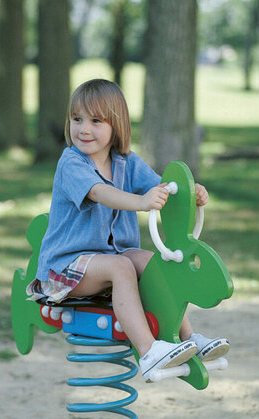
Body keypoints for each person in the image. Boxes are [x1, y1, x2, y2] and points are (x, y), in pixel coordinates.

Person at [27, 79, 229, 382]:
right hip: (64, 269)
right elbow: (98, 193)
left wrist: (190, 193)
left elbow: (163, 188)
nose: (83, 129)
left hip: (105, 259)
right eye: (77, 119)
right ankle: (149, 351)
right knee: (122, 266)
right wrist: (141, 202)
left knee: (153, 263)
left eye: (96, 121)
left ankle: (189, 338)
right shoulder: (71, 162)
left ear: (116, 126)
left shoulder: (126, 162)